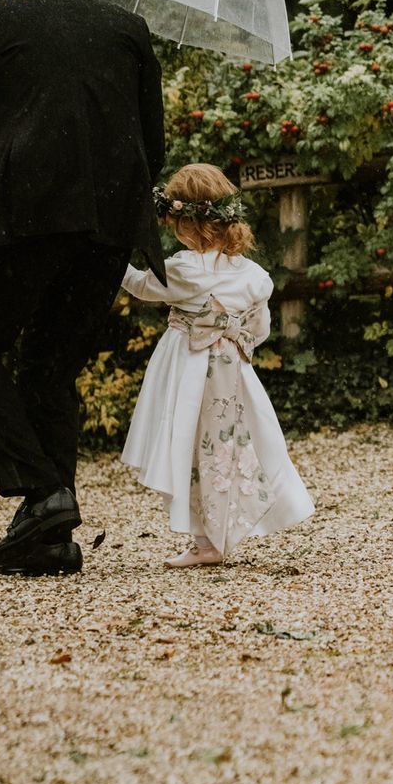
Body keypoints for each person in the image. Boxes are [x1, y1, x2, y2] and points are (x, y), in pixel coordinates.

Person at [0, 0, 166, 577]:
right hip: (111, 221)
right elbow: (155, 142)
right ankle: (49, 539)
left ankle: (44, 493)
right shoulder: (128, 28)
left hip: (24, 212)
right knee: (50, 368)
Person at [121, 163, 314, 566]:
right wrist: (236, 339)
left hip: (188, 369)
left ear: (186, 223)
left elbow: (142, 286)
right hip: (233, 370)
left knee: (189, 445)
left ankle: (205, 540)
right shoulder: (253, 275)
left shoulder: (183, 270)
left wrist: (115, 264)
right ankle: (216, 535)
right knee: (233, 443)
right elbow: (259, 328)